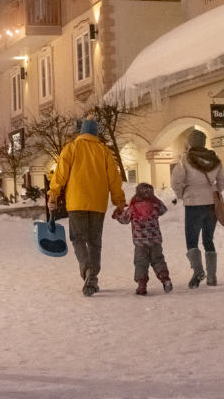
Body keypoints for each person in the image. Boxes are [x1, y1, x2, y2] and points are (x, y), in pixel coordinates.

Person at [48, 119, 126, 297]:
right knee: (94, 241)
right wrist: (119, 201)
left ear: (81, 132)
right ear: (96, 133)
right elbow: (114, 179)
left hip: (76, 202)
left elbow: (60, 175)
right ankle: (93, 276)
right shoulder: (104, 151)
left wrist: (53, 194)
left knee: (78, 239)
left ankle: (87, 271)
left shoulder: (71, 148)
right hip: (98, 204)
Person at [170, 129, 224, 288]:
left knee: (192, 240)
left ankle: (198, 271)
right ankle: (212, 277)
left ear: (190, 143)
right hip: (211, 204)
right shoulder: (215, 159)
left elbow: (175, 181)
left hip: (193, 204)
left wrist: (182, 194)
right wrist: (213, 191)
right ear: (203, 143)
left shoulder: (185, 160)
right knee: (208, 239)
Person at [113, 183, 172, 295]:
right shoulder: (155, 206)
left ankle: (142, 285)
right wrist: (155, 199)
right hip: (155, 241)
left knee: (141, 263)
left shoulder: (132, 208)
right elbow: (164, 209)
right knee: (158, 259)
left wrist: (117, 215)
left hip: (140, 243)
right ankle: (165, 279)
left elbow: (124, 220)